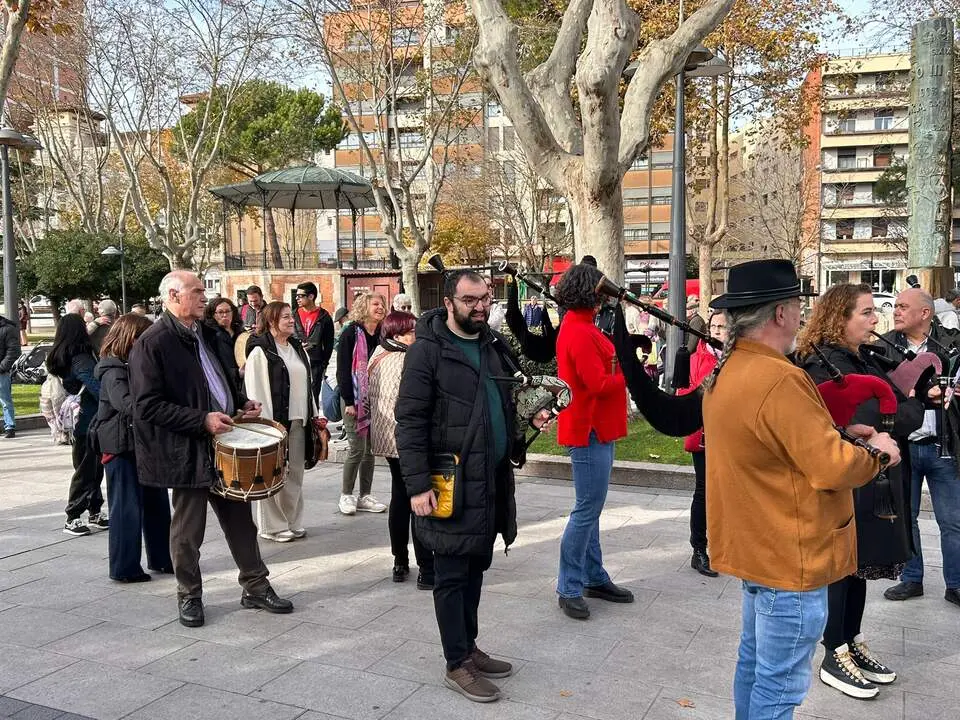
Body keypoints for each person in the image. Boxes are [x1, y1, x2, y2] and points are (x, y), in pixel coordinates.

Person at [701, 259, 901, 719]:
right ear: (780, 315)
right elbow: (831, 468)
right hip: (789, 559)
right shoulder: (780, 378)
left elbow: (777, 451)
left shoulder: (730, 372)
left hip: (758, 549)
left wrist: (841, 434)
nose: (800, 315)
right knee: (779, 688)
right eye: (796, 306)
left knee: (754, 669)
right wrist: (879, 453)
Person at [396, 269, 544, 703]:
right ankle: (456, 662)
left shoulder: (491, 344)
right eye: (470, 300)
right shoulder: (427, 351)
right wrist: (418, 485)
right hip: (450, 481)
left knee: (476, 567)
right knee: (452, 574)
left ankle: (470, 648)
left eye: (485, 299)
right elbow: (410, 420)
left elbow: (504, 400)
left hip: (489, 479)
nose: (481, 306)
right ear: (449, 302)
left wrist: (526, 422)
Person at [130, 271, 293, 628]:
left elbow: (217, 380)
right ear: (174, 295)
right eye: (198, 291)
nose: (206, 296)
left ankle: (255, 585)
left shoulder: (205, 333)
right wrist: (201, 420)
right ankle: (188, 595)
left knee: (241, 523)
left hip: (223, 442)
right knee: (188, 532)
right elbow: (146, 405)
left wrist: (240, 403)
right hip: (186, 449)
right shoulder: (152, 342)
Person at [797, 284, 924, 699]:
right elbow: (883, 414)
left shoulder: (859, 358)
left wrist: (904, 405)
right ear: (840, 317)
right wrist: (904, 407)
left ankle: (850, 639)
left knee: (860, 565)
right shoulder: (825, 363)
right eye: (867, 313)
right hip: (846, 481)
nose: (875, 321)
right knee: (841, 566)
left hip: (870, 477)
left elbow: (899, 406)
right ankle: (833, 650)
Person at [553, 263, 632, 620]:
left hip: (594, 428)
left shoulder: (579, 326)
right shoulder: (580, 331)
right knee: (586, 510)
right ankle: (569, 585)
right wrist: (629, 372)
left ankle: (593, 575)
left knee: (590, 509)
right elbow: (598, 383)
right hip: (590, 429)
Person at [882, 288, 960, 609]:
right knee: (906, 517)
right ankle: (911, 578)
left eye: (903, 306)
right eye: (896, 306)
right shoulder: (883, 345)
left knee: (953, 521)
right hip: (905, 448)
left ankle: (955, 584)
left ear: (925, 314)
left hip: (945, 446)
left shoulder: (953, 342)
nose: (896, 311)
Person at [94, 313, 172, 582]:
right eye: (143, 337)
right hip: (121, 447)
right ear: (130, 337)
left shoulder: (133, 364)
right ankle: (124, 568)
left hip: (144, 444)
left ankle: (163, 558)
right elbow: (128, 405)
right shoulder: (112, 370)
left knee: (158, 504)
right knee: (126, 508)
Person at [368, 310, 434, 588]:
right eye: (412, 332)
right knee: (416, 498)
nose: (417, 336)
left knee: (399, 498)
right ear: (398, 335)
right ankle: (426, 568)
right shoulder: (405, 359)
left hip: (385, 438)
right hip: (406, 440)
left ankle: (399, 561)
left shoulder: (377, 355)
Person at [245, 301, 316, 542]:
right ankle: (272, 526)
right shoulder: (260, 351)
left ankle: (292, 520)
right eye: (286, 317)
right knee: (272, 473)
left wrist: (315, 414)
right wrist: (267, 427)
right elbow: (256, 391)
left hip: (300, 419)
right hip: (274, 423)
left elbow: (308, 384)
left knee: (295, 471)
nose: (291, 320)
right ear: (272, 321)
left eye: (291, 316)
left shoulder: (297, 347)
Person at [677, 310, 728, 578]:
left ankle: (725, 546)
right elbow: (684, 393)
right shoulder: (697, 357)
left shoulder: (738, 357)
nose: (718, 331)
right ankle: (699, 549)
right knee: (704, 491)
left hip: (732, 435)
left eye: (723, 326)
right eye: (714, 326)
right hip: (706, 434)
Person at [47, 314, 107, 536]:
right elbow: (96, 386)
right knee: (87, 468)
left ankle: (94, 511)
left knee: (91, 467)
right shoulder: (81, 357)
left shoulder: (63, 354)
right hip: (88, 419)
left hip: (80, 420)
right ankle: (73, 516)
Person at [335, 292, 387, 516]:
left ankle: (365, 495)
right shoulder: (350, 333)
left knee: (369, 451)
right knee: (357, 448)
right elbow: (343, 370)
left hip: (374, 398)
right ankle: (346, 495)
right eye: (375, 304)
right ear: (364, 307)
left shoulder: (383, 332)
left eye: (382, 304)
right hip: (353, 399)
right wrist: (349, 401)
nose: (380, 307)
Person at [293, 282, 334, 404]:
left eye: (300, 296)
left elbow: (329, 343)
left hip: (315, 363)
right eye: (297, 296)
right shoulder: (293, 315)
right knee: (297, 396)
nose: (297, 298)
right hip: (296, 360)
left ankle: (313, 421)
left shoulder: (324, 316)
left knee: (313, 396)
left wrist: (324, 364)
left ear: (311, 297)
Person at [204, 297, 243, 390]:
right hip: (223, 385)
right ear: (213, 314)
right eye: (220, 312)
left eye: (228, 311)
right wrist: (237, 373)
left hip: (243, 384)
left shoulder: (240, 332)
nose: (225, 315)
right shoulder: (209, 335)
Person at [0, 313, 19, 438]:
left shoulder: (7, 328)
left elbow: (14, 350)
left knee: (5, 400)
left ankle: (10, 427)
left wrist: (2, 367)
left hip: (1, 371)